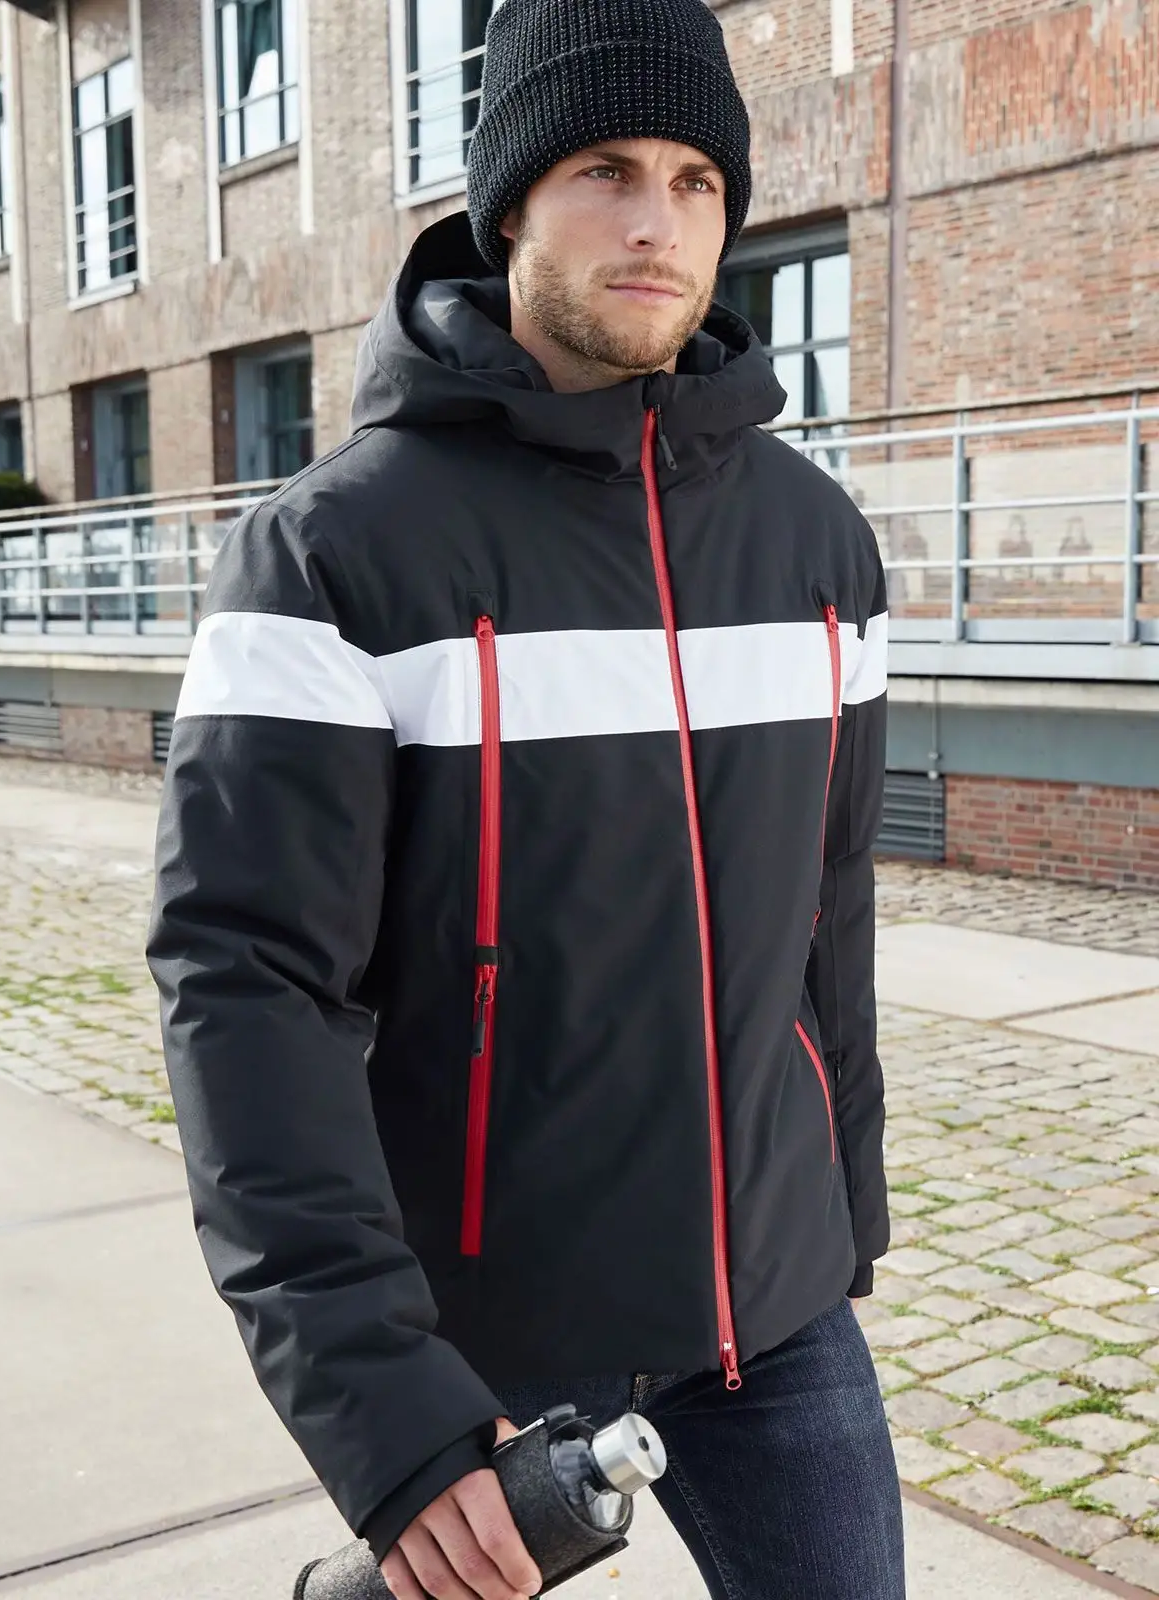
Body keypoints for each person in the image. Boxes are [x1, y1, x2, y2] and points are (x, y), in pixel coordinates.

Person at [146, 0, 902, 1595]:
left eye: (697, 180)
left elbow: (830, 919)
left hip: (775, 1312)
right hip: (486, 1336)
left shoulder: (818, 544)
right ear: (509, 210)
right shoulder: (332, 554)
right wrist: (386, 1414)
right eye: (605, 170)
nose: (656, 223)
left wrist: (848, 1212)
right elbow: (247, 990)